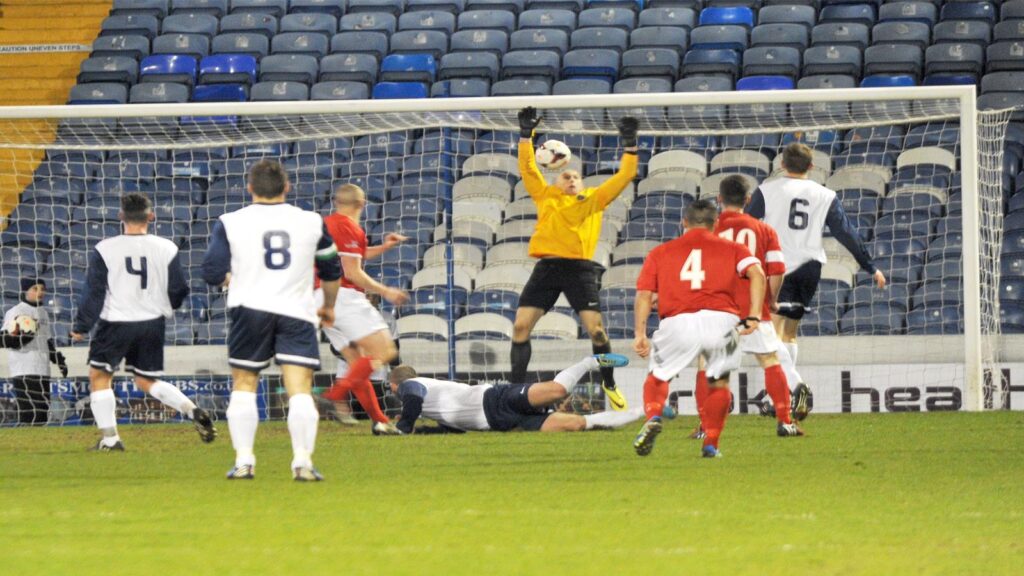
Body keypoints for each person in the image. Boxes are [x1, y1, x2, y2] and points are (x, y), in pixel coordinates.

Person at [202, 160, 342, 481]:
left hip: (249, 310)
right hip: (296, 312)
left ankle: (244, 462)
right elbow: (332, 270)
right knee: (299, 389)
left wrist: (232, 281)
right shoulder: (311, 221)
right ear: (287, 187)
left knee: (245, 384)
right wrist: (329, 306)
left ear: (249, 188)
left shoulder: (229, 222)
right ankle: (302, 462)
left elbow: (211, 272)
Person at [511, 107, 639, 411]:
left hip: (579, 269)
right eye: (566, 175)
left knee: (596, 330)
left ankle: (609, 382)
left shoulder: (594, 199)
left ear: (582, 184)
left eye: (575, 177)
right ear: (556, 181)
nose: (570, 179)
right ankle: (514, 393)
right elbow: (529, 169)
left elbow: (626, 175)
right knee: (519, 328)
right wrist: (525, 136)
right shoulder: (546, 196)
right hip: (548, 267)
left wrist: (630, 144)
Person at [747, 143, 886, 420]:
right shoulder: (825, 194)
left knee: (769, 337)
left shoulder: (766, 190)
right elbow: (846, 232)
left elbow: (747, 224)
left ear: (782, 164)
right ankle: (781, 397)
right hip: (810, 268)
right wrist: (870, 267)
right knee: (789, 333)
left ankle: (794, 387)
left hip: (778, 268)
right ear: (811, 166)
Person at [71, 194, 216, 450]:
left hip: (116, 322)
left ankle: (110, 439)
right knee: (146, 380)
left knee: (100, 376)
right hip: (152, 323)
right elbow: (179, 289)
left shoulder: (105, 248)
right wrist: (163, 307)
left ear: (120, 217)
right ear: (151, 216)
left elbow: (94, 292)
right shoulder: (167, 247)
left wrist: (82, 326)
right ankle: (192, 410)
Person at [632, 199, 767, 458]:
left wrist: (640, 333)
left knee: (659, 376)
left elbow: (644, 294)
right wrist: (753, 315)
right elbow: (758, 274)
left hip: (677, 321)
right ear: (716, 224)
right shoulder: (734, 248)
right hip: (722, 323)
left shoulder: (660, 252)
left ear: (684, 222)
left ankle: (653, 415)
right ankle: (711, 445)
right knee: (719, 383)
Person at [692, 175, 803, 438]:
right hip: (752, 308)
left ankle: (705, 427)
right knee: (769, 360)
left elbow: (696, 270)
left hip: (716, 309)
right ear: (748, 199)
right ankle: (785, 421)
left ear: (719, 199)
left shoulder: (708, 230)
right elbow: (777, 270)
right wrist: (771, 300)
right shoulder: (764, 230)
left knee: (706, 365)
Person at [318, 183, 408, 435]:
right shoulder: (347, 226)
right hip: (342, 295)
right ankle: (333, 396)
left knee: (357, 362)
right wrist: (386, 291)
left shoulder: (327, 224)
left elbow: (357, 255)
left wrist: (384, 247)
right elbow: (351, 271)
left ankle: (379, 421)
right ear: (362, 203)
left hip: (319, 299)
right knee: (386, 351)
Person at [389, 354, 643, 434]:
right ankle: (646, 410)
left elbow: (411, 397)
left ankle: (590, 361)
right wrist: (422, 431)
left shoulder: (411, 385)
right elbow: (452, 427)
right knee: (577, 424)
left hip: (496, 398)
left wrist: (402, 427)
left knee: (558, 390)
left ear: (394, 385)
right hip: (503, 422)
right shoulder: (430, 398)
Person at [1, 279, 68, 425]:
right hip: (24, 368)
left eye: (42, 289)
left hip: (42, 368)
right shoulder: (16, 311)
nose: (40, 292)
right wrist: (23, 337)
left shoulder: (43, 313)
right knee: (29, 412)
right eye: (35, 288)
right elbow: (4, 340)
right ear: (26, 291)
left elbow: (47, 341)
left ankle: (37, 442)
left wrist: (58, 360)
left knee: (42, 410)